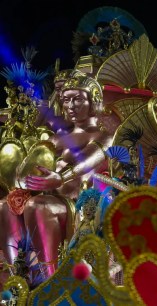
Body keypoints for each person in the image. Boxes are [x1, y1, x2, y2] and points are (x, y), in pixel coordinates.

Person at [0, 72, 112, 277]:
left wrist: (61, 177)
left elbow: (87, 160)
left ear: (93, 100)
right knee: (5, 206)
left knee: (38, 206)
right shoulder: (56, 137)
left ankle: (50, 278)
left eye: (77, 99)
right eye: (66, 99)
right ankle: (17, 277)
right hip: (48, 197)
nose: (70, 105)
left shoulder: (103, 135)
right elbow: (33, 160)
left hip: (77, 204)